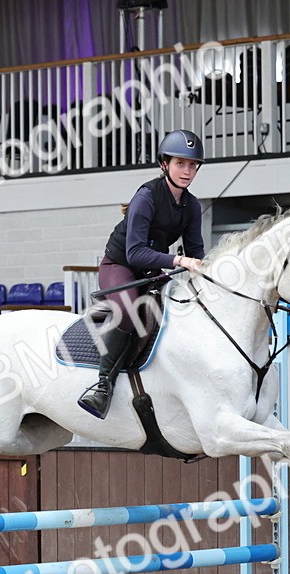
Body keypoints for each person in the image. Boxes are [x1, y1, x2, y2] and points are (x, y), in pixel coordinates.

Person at [77, 129, 206, 419]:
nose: (187, 171)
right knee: (127, 310)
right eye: (180, 163)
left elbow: (196, 251)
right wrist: (179, 260)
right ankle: (102, 386)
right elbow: (135, 252)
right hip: (120, 266)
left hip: (151, 271)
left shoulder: (192, 206)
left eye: (192, 165)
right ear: (165, 165)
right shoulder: (147, 197)